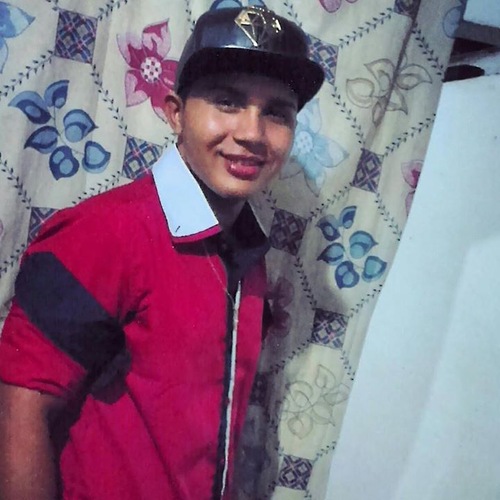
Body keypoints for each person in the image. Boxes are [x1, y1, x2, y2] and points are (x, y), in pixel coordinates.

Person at [0, 6, 324, 500]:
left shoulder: (249, 253)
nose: (253, 134)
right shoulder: (102, 234)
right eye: (227, 101)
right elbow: (16, 413)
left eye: (276, 112)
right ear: (176, 113)